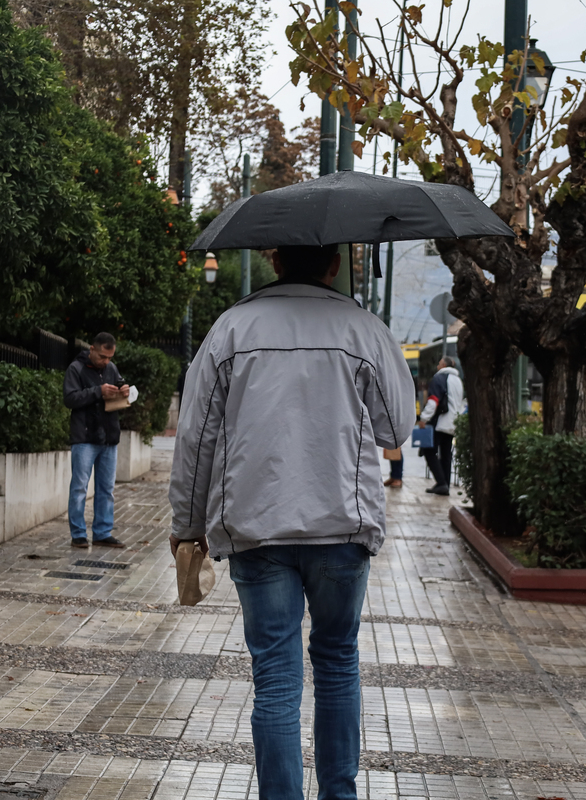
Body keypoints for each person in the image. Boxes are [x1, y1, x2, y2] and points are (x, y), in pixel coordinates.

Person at [168, 243, 414, 800]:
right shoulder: (364, 329)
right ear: (333, 264)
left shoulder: (230, 329)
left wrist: (187, 523)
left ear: (276, 261)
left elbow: (195, 436)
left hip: (256, 529)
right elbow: (396, 430)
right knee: (336, 662)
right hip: (342, 527)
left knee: (275, 679)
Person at [63, 332, 129, 549]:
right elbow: (70, 398)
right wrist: (98, 392)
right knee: (80, 487)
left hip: (109, 437)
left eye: (110, 357)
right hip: (84, 437)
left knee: (107, 488)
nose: (106, 361)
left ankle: (102, 532)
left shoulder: (111, 368)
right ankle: (78, 534)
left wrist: (124, 389)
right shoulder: (76, 368)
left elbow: (119, 382)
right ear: (92, 349)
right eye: (102, 356)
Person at [417, 355, 464, 496]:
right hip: (453, 422)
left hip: (439, 422)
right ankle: (445, 484)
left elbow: (433, 401)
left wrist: (424, 418)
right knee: (446, 454)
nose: (437, 366)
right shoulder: (458, 381)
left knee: (428, 451)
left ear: (443, 365)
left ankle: (441, 482)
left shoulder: (439, 378)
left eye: (439, 363)